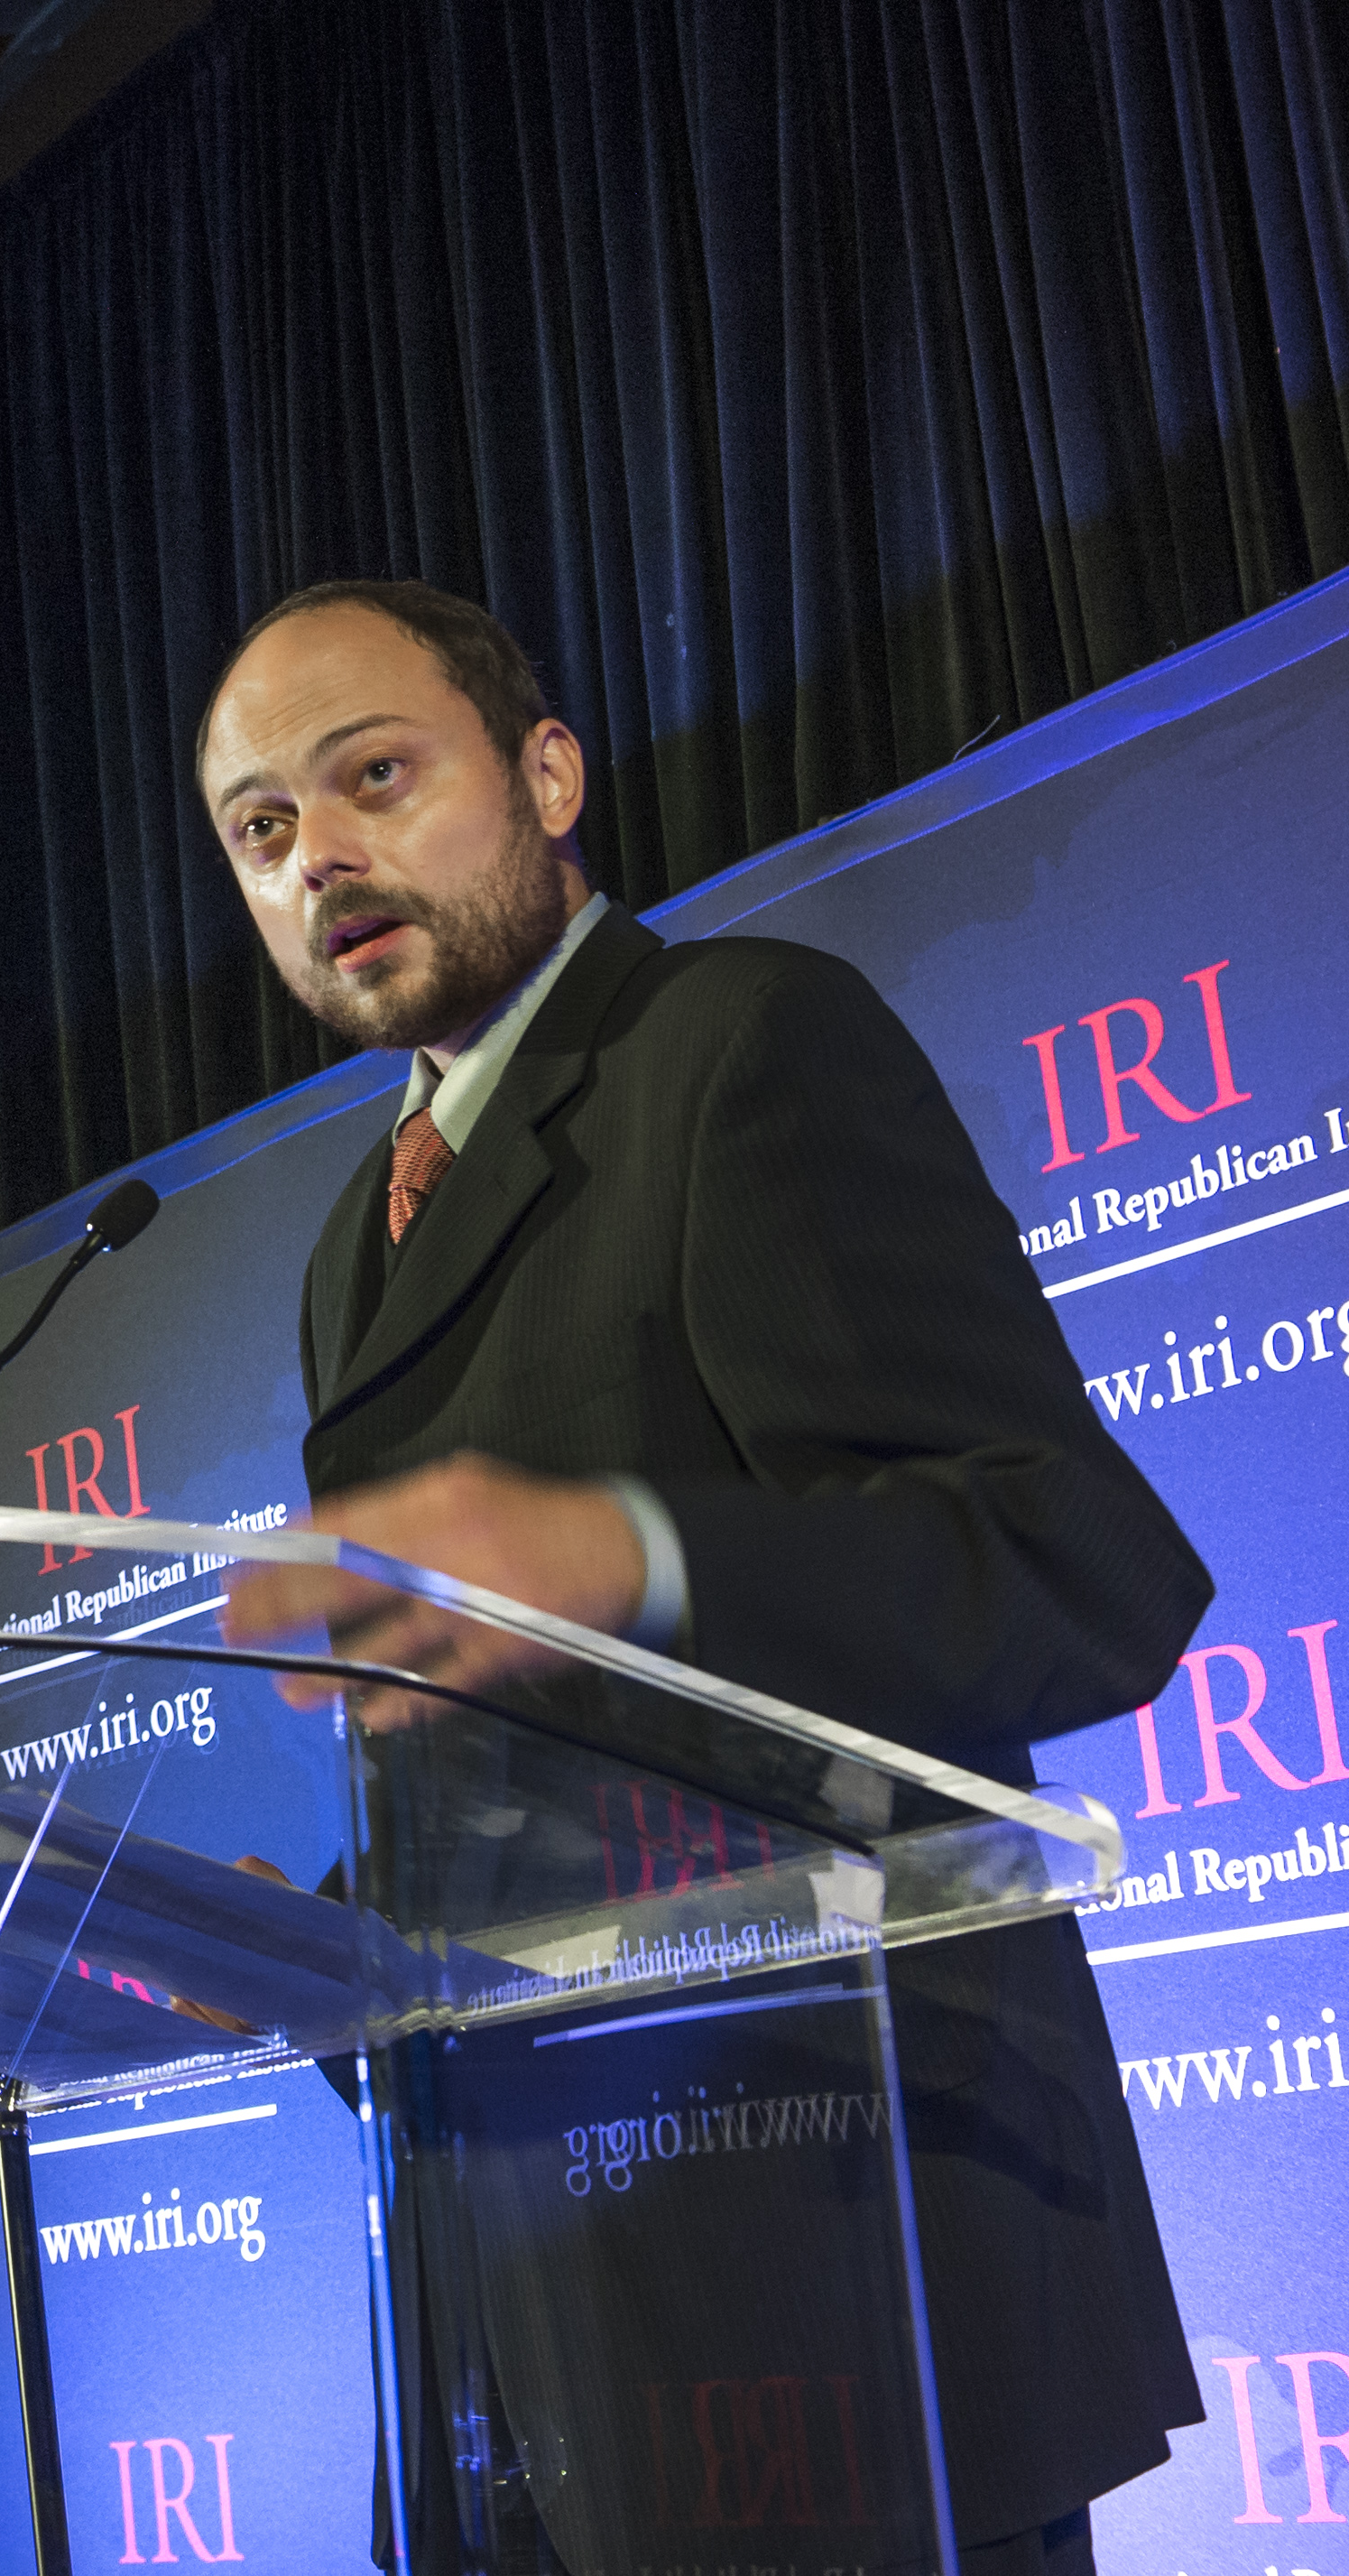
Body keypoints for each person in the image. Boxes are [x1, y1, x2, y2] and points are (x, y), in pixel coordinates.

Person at [201, 580, 1206, 2575]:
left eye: (369, 777)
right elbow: (537, 1765)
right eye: (255, 830)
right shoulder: (351, 1244)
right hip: (530, 2331)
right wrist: (322, 1951)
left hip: (845, 2276)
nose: (314, 856)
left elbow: (1073, 1564)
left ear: (546, 773)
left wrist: (628, 1552)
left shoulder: (738, 1048)